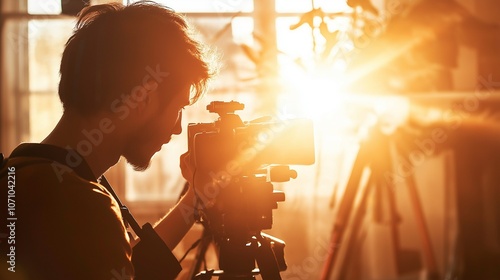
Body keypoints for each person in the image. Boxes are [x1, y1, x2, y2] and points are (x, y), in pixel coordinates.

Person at [0, 1, 215, 279]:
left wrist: (194, 198)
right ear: (143, 100)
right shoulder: (85, 207)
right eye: (177, 110)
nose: (177, 128)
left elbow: (120, 268)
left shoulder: (19, 175)